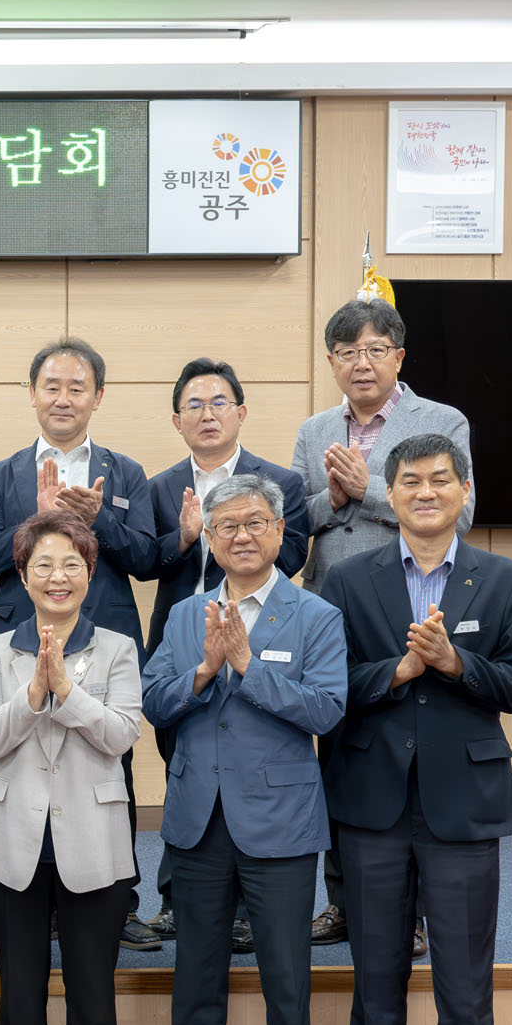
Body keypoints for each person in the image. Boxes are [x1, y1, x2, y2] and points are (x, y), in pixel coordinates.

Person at [315, 435, 512, 1025]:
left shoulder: (505, 580)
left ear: (464, 491)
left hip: (463, 804)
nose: (426, 492)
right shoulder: (349, 580)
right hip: (371, 800)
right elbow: (331, 686)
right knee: (375, 970)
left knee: (464, 978)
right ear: (391, 493)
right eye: (411, 481)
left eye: (441, 479)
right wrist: (402, 669)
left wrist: (454, 664)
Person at [135, 475, 347, 1025]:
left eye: (255, 522)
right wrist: (203, 671)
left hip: (280, 822)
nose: (242, 536)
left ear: (281, 532)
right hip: (198, 819)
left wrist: (249, 666)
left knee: (286, 978)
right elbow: (154, 704)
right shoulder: (185, 614)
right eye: (226, 525)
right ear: (212, 538)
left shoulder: (315, 616)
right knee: (196, 973)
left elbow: (326, 711)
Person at [292, 298, 472, 949]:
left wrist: (368, 488)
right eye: (347, 352)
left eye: (374, 350)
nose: (360, 363)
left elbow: (460, 515)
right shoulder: (316, 430)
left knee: (407, 757)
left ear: (398, 356)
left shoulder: (441, 421)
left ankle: (411, 914)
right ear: (332, 361)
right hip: (329, 610)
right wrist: (333, 495)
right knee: (339, 754)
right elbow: (294, 520)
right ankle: (342, 901)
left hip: (408, 606)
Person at [0, 337, 161, 950]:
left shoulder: (125, 471)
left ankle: (118, 902)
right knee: (24, 759)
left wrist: (98, 521)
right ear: (32, 394)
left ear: (97, 397)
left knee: (111, 766)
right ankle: (34, 896)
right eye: (51, 386)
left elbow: (147, 558)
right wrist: (36, 520)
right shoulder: (3, 475)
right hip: (24, 642)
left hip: (104, 641)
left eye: (77, 387)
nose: (63, 398)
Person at [0, 510, 142, 1025]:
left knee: (93, 987)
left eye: (71, 563)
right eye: (43, 564)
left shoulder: (117, 648)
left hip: (94, 838)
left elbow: (121, 735)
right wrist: (33, 691)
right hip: (14, 838)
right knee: (21, 987)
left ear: (89, 572)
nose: (57, 576)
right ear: (23, 575)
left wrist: (64, 690)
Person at [144, 358, 311, 947]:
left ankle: (243, 905)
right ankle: (179, 897)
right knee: (183, 762)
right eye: (194, 405)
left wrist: (235, 537)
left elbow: (292, 556)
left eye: (219, 403)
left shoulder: (281, 481)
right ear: (177, 420)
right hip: (183, 633)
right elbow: (147, 562)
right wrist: (186, 538)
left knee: (249, 763)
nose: (207, 414)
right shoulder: (160, 486)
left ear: (240, 413)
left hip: (259, 636)